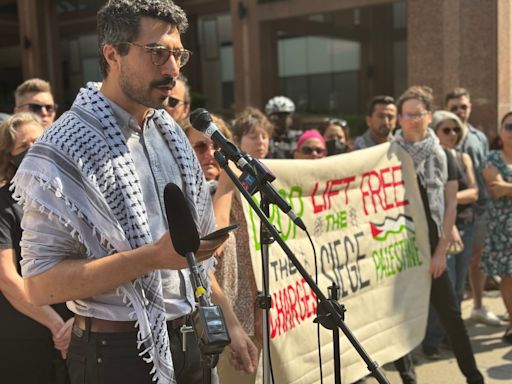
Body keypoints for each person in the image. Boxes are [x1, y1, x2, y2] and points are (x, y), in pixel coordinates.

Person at [12, 1, 255, 383]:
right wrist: (151, 257)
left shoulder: (172, 135)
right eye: (158, 53)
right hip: (116, 354)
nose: (172, 69)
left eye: (178, 55)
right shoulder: (64, 147)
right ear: (113, 54)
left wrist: (232, 323)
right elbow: (42, 285)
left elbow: (193, 257)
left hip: (193, 340)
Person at [394, 85, 484, 384]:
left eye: (417, 114)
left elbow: (450, 204)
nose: (410, 120)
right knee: (399, 316)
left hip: (433, 243)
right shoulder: (388, 155)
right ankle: (408, 377)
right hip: (398, 243)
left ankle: (473, 376)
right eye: (405, 114)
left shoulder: (443, 154)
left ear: (429, 116)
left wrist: (440, 250)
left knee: (451, 314)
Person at [0, 112, 73, 384]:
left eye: (38, 141)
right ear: (9, 157)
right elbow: (7, 278)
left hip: (74, 332)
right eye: (22, 146)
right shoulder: (4, 206)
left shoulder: (70, 197)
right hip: (25, 341)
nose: (33, 150)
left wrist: (76, 322)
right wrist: (57, 326)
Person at [213, 107, 273, 384]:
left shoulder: (252, 183)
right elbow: (214, 244)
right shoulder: (213, 190)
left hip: (252, 304)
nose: (211, 154)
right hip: (218, 310)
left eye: (217, 147)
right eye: (200, 147)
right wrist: (226, 185)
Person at [422, 110, 479, 358]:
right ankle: (431, 341)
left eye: (456, 129)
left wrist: (452, 199)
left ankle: (448, 339)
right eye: (446, 130)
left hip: (466, 225)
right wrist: (450, 221)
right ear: (434, 131)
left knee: (458, 288)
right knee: (443, 285)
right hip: (444, 231)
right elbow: (433, 198)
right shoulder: (430, 159)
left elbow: (474, 193)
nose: (453, 134)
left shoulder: (462, 157)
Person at [445, 87, 501, 326]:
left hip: (481, 207)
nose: (460, 111)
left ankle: (477, 305)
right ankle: (448, 317)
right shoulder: (443, 134)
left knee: (478, 258)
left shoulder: (478, 136)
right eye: (454, 107)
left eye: (463, 106)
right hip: (453, 211)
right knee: (453, 265)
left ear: (470, 108)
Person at [481, 111, 512, 343]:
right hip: (502, 229)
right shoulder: (492, 158)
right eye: (509, 127)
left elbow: (504, 188)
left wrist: (507, 186)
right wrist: (503, 187)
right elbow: (495, 189)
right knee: (508, 277)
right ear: (500, 131)